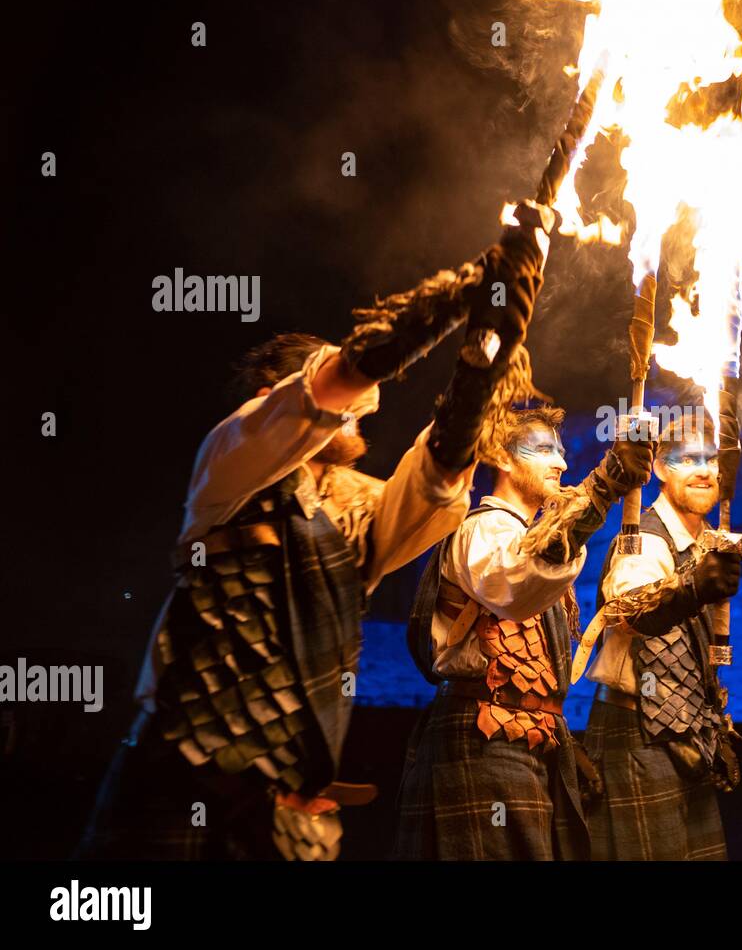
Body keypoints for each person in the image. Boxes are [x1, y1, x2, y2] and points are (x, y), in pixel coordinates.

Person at [77, 200, 557, 860]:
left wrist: (487, 351)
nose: (362, 410)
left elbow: (438, 473)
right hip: (182, 772)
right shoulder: (231, 466)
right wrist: (465, 289)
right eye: (346, 399)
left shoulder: (360, 509)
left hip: (288, 806)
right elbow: (331, 386)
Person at [394, 406, 655, 859]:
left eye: (561, 451)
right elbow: (520, 581)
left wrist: (560, 736)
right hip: (481, 739)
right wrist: (606, 485)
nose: (561, 464)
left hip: (530, 741)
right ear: (502, 458)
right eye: (541, 450)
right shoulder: (484, 529)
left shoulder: (524, 534)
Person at [575, 410, 742, 860]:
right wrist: (689, 589)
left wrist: (716, 726)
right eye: (689, 459)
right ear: (664, 470)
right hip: (636, 734)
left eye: (711, 459)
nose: (705, 469)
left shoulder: (709, 543)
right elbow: (628, 612)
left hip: (686, 736)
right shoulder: (644, 540)